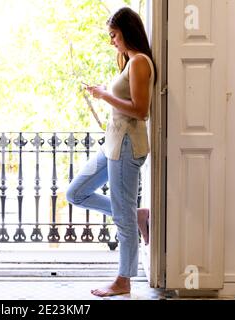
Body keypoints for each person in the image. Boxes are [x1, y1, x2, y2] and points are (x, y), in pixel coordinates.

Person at [66, 7, 157, 297]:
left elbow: (141, 111)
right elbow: (128, 98)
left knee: (122, 217)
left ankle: (123, 281)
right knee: (75, 193)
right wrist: (108, 90)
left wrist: (105, 96)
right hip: (114, 145)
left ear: (127, 32)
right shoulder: (130, 62)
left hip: (128, 146)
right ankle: (138, 215)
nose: (111, 41)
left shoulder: (140, 62)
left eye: (114, 35)